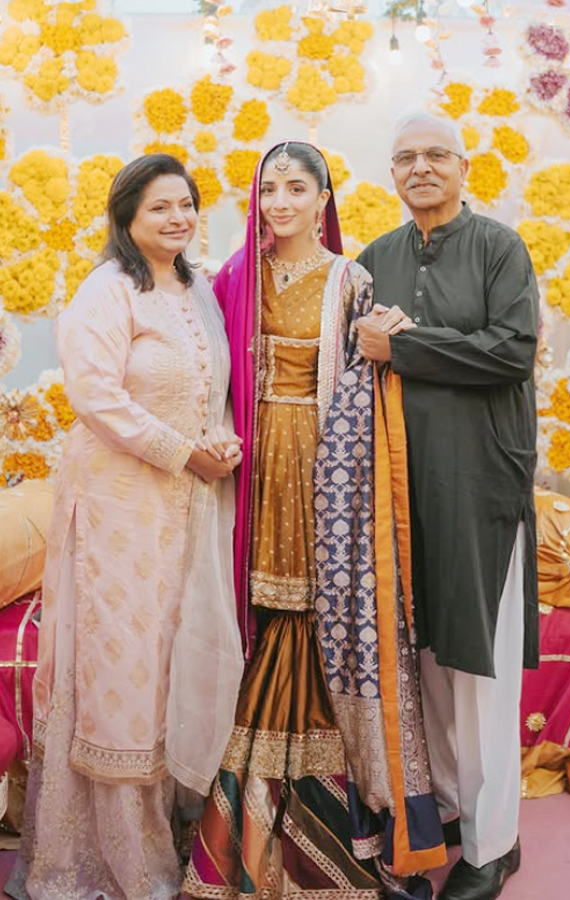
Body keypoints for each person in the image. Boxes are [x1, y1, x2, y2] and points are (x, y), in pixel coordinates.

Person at [181, 141, 446, 900]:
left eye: (298, 188)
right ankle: (252, 821)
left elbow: (373, 380)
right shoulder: (233, 278)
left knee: (317, 624)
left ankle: (324, 829)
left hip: (328, 476)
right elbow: (205, 372)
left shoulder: (350, 279)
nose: (281, 203)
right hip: (251, 466)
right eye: (270, 189)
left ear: (324, 197)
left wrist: (391, 347)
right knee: (259, 619)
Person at [7, 154, 245, 900]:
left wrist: (223, 441)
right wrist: (184, 452)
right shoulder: (107, 291)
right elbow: (95, 398)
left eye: (186, 206)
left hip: (186, 504)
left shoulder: (197, 287)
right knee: (125, 671)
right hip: (120, 504)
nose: (177, 220)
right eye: (159, 209)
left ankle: (175, 835)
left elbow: (212, 387)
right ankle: (122, 862)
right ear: (127, 218)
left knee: (176, 659)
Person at [356, 113, 539, 900]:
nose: (420, 168)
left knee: (480, 668)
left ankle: (496, 845)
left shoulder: (499, 246)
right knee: (427, 659)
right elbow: (353, 357)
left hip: (482, 487)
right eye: (405, 158)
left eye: (436, 155)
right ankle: (461, 814)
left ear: (463, 168)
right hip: (402, 489)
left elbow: (511, 350)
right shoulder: (374, 260)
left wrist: (407, 344)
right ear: (392, 175)